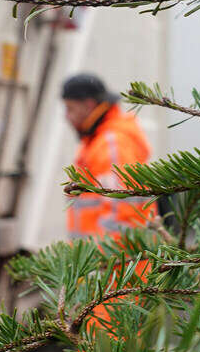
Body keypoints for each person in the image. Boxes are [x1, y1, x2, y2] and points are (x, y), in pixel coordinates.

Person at [62, 73, 156, 241]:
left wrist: (100, 262)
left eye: (70, 108)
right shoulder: (98, 140)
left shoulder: (112, 144)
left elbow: (122, 213)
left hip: (118, 264)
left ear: (89, 105)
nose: (66, 116)